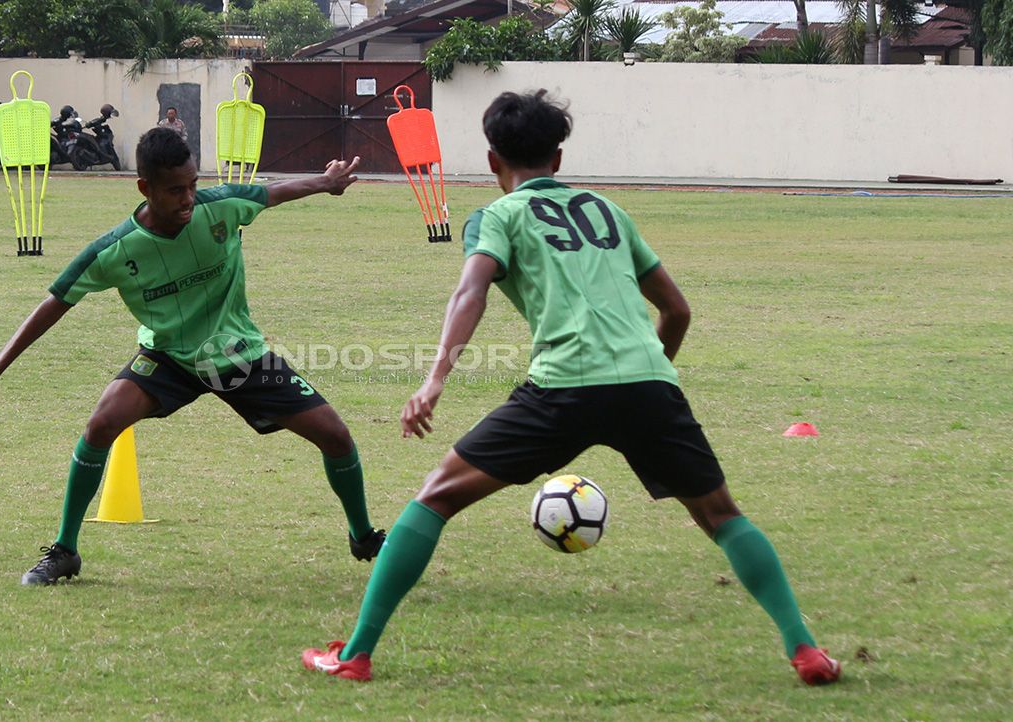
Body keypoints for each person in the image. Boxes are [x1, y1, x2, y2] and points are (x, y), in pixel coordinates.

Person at [301, 90, 841, 686]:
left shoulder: (497, 217)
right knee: (722, 517)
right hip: (648, 383)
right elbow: (677, 311)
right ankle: (806, 650)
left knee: (434, 499)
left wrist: (434, 381)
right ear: (557, 159)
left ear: (491, 161)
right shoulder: (611, 211)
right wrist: (640, 384)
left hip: (561, 388)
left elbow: (470, 292)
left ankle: (354, 654)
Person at [0, 127, 385, 585]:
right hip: (169, 359)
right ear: (145, 188)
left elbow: (274, 192)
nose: (187, 199)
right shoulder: (115, 250)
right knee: (103, 422)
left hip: (238, 354)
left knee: (335, 436)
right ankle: (65, 550)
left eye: (192, 185)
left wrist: (327, 181)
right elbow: (54, 304)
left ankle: (363, 536)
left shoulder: (218, 206)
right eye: (175, 190)